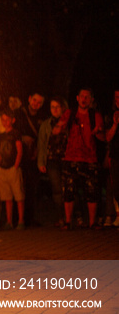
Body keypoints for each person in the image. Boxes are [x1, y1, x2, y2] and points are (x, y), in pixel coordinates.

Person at [54, 87, 105, 229]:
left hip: (90, 158)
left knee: (92, 192)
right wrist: (59, 127)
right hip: (71, 158)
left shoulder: (96, 115)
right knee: (68, 191)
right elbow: (56, 131)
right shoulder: (70, 114)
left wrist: (98, 132)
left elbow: (103, 137)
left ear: (91, 100)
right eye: (82, 96)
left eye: (87, 97)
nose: (84, 99)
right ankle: (68, 221)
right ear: (77, 98)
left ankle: (92, 222)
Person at [16, 92, 47, 226]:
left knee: (32, 188)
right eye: (34, 100)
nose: (36, 104)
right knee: (19, 188)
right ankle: (17, 218)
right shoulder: (19, 114)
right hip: (19, 156)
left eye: (39, 102)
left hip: (33, 157)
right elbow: (13, 130)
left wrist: (37, 150)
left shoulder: (42, 117)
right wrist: (22, 138)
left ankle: (29, 218)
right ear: (29, 99)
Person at [37, 96, 69, 227]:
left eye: (57, 107)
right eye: (52, 107)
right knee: (56, 189)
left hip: (67, 159)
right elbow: (42, 144)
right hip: (52, 160)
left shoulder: (68, 122)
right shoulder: (46, 124)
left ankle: (73, 215)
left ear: (63, 107)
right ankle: (61, 216)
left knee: (69, 188)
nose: (55, 110)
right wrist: (41, 162)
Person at [0, 107, 25, 230]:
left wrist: (16, 165)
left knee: (18, 196)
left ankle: (21, 221)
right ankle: (9, 221)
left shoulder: (16, 133)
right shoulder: (1, 135)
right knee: (7, 197)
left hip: (13, 168)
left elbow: (19, 150)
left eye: (7, 120)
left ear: (12, 120)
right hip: (2, 168)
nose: (5, 122)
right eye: (3, 120)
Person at [106, 89, 119, 227]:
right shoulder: (112, 116)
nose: (118, 100)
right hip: (116, 156)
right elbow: (108, 137)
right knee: (116, 188)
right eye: (116, 97)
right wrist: (115, 124)